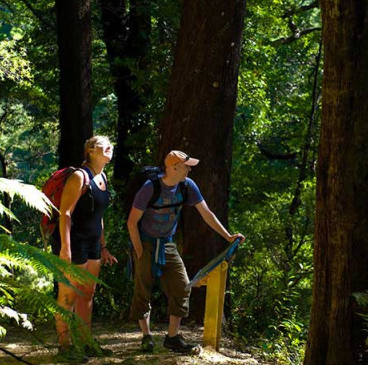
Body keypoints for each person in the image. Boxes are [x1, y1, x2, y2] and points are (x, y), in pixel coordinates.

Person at [126, 150, 245, 353]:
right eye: (186, 165)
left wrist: (227, 236)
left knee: (182, 286)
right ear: (173, 167)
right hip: (145, 242)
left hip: (167, 243)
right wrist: (138, 247)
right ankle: (146, 336)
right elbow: (132, 221)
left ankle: (172, 337)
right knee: (142, 289)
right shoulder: (150, 188)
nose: (189, 169)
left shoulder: (187, 186)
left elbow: (206, 213)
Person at [52, 136, 118, 362]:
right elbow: (65, 213)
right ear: (91, 149)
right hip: (74, 243)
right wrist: (65, 248)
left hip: (93, 245)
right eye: (104, 144)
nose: (110, 147)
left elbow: (98, 217)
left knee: (87, 294)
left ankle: (85, 342)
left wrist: (103, 246)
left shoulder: (103, 177)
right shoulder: (80, 176)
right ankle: (65, 347)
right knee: (68, 296)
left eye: (111, 144)